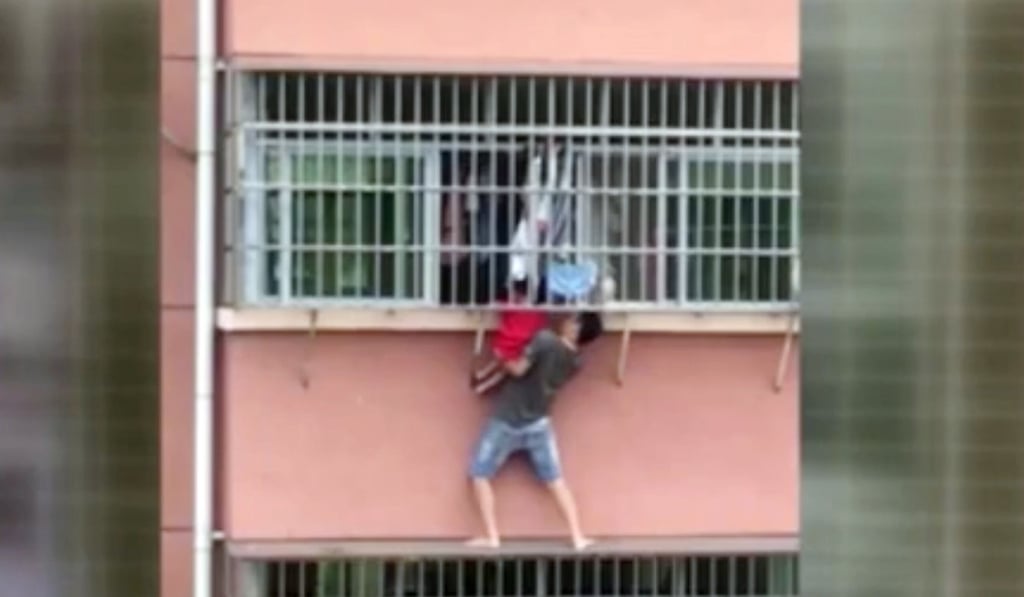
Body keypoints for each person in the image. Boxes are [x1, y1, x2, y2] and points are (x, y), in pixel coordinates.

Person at [466, 310, 604, 551]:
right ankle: (577, 536)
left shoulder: (544, 339)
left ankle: (492, 537)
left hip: (508, 418)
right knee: (555, 479)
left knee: (480, 474)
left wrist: (501, 357)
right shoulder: (576, 362)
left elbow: (519, 369)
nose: (567, 319)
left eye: (573, 319)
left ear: (577, 329)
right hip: (539, 423)